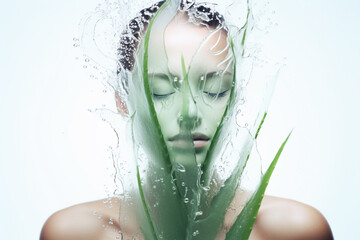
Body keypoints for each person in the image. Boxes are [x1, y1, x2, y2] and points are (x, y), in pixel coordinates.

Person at [40, 1, 333, 239]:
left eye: (214, 90)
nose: (190, 113)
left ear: (233, 100)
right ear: (123, 99)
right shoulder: (77, 233)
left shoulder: (294, 231)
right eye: (161, 90)